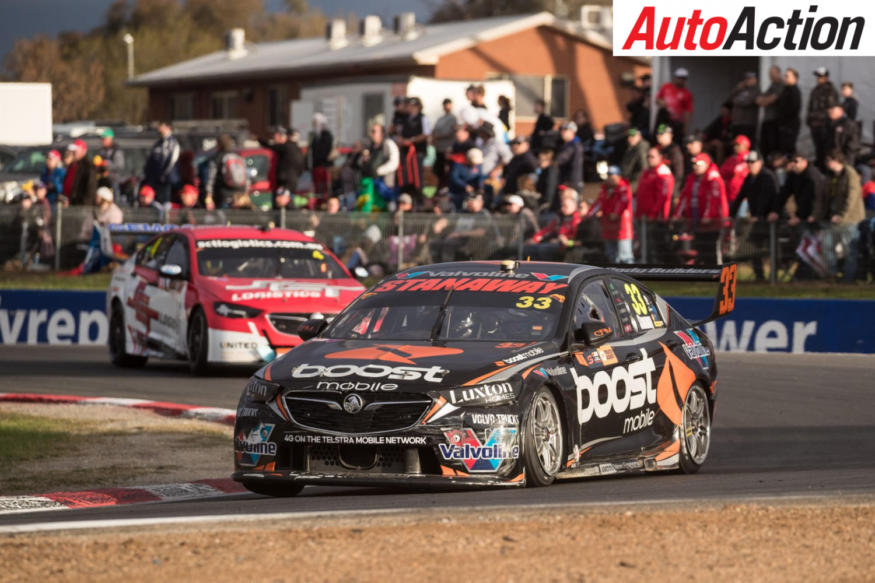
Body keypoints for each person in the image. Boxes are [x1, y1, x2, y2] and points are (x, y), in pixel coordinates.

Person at [730, 151, 781, 280]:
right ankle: (760, 276)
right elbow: (741, 196)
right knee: (753, 248)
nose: (750, 165)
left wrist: (763, 214)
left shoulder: (768, 177)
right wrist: (731, 214)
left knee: (771, 248)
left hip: (768, 220)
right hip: (757, 220)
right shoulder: (750, 178)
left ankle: (773, 276)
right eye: (748, 162)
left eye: (753, 162)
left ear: (760, 162)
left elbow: (771, 197)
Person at [818, 150, 865, 281]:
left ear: (836, 160)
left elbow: (852, 197)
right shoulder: (831, 176)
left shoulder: (850, 174)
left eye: (828, 160)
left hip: (849, 220)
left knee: (849, 250)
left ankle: (848, 279)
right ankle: (832, 274)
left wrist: (842, 216)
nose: (826, 164)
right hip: (832, 219)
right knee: (826, 246)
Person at [429, 192, 497, 262]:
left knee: (449, 244)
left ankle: (447, 268)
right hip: (454, 238)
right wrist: (440, 224)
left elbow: (480, 232)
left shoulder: (483, 214)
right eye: (469, 200)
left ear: (481, 203)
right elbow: (448, 219)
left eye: (473, 200)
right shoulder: (462, 212)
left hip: (471, 241)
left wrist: (459, 234)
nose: (470, 202)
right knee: (434, 244)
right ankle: (436, 266)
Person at [674, 153, 729, 229]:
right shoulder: (691, 178)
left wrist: (708, 216)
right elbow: (684, 197)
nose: (695, 167)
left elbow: (714, 200)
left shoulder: (713, 179)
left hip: (712, 222)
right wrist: (677, 214)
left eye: (699, 164)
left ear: (706, 164)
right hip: (693, 217)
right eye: (694, 164)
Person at [525, 189, 582, 261]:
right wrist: (535, 239)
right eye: (562, 206)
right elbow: (547, 230)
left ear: (574, 206)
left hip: (568, 247)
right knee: (530, 248)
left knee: (542, 249)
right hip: (555, 243)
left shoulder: (577, 220)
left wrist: (567, 242)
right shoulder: (559, 217)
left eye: (565, 206)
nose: (562, 208)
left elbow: (578, 242)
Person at [593, 167, 634, 263]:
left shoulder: (624, 188)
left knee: (625, 256)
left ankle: (632, 276)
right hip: (608, 227)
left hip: (622, 228)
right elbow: (599, 203)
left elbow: (623, 202)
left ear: (619, 176)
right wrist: (589, 214)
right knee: (611, 256)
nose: (610, 178)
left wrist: (616, 213)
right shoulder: (605, 190)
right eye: (609, 176)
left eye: (613, 176)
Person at [258, 126, 305, 206]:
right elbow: (301, 167)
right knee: (286, 201)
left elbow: (270, 146)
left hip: (284, 181)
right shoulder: (298, 149)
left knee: (281, 202)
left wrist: (259, 139)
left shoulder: (286, 147)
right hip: (292, 181)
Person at [359, 123, 400, 211]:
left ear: (382, 133)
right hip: (370, 184)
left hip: (385, 185)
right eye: (371, 131)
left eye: (374, 132)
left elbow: (394, 162)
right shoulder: (369, 146)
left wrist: (379, 171)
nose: (371, 134)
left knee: (387, 207)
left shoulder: (388, 144)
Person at [398, 97, 430, 198]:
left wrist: (411, 140)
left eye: (414, 106)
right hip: (406, 151)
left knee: (417, 175)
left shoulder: (422, 118)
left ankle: (418, 195)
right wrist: (402, 140)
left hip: (417, 151)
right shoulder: (405, 119)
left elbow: (425, 134)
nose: (411, 108)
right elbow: (400, 133)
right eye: (410, 106)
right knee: (405, 174)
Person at [205, 134, 248, 210]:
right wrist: (246, 192)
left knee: (224, 220)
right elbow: (246, 176)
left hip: (223, 195)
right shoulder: (238, 156)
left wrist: (209, 196)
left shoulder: (217, 158)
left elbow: (211, 178)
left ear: (218, 144)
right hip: (240, 195)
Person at [807, 67, 839, 168]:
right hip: (815, 125)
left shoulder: (831, 91)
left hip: (825, 125)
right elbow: (810, 106)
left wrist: (815, 116)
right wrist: (809, 119)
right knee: (818, 149)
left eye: (820, 77)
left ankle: (825, 169)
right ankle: (820, 168)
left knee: (826, 150)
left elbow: (831, 110)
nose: (818, 79)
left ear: (826, 78)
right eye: (818, 77)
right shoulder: (815, 90)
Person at [143, 121, 180, 205]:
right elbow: (151, 159)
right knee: (157, 201)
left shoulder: (172, 142)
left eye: (162, 126)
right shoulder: (158, 143)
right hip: (156, 178)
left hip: (167, 179)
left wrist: (164, 174)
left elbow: (171, 161)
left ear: (168, 128)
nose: (159, 129)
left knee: (165, 202)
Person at [636, 147, 674, 220]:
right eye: (648, 157)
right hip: (643, 215)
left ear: (660, 157)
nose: (649, 159)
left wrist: (653, 213)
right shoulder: (647, 172)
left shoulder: (663, 172)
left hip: (655, 217)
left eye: (652, 157)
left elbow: (663, 197)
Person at [655, 68, 693, 142]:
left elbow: (688, 112)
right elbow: (657, 99)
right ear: (675, 77)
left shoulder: (687, 94)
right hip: (664, 120)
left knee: (674, 141)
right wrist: (661, 102)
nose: (681, 80)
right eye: (679, 78)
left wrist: (685, 128)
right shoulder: (666, 87)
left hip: (676, 123)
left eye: (683, 78)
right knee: (660, 139)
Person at [756, 66, 784, 158]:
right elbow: (758, 100)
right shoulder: (771, 86)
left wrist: (765, 100)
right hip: (767, 119)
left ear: (779, 73)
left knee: (773, 146)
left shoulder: (781, 85)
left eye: (773, 73)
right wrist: (765, 100)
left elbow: (771, 99)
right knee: (764, 145)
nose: (771, 75)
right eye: (770, 73)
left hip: (775, 120)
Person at [431, 98, 458, 189]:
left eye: (448, 104)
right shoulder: (440, 119)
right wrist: (433, 138)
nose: (447, 106)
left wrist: (438, 137)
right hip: (439, 148)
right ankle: (441, 186)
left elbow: (450, 132)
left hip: (447, 148)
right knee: (439, 169)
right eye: (445, 105)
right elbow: (434, 130)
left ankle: (447, 186)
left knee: (447, 170)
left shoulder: (453, 118)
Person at [776, 68, 802, 155]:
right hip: (784, 124)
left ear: (795, 78)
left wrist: (785, 122)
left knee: (788, 148)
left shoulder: (794, 90)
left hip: (790, 125)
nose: (785, 78)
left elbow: (793, 108)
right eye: (785, 76)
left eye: (787, 76)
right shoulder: (785, 90)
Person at [826, 104, 861, 168]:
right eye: (830, 110)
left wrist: (842, 157)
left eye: (833, 110)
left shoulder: (848, 124)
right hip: (832, 157)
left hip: (844, 157)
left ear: (840, 111)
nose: (830, 111)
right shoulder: (828, 123)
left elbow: (854, 142)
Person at [730, 72, 760, 146]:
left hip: (748, 123)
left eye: (750, 79)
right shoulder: (741, 90)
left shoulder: (756, 90)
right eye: (746, 79)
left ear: (755, 80)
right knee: (735, 144)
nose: (747, 81)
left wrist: (736, 100)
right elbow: (731, 99)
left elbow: (747, 102)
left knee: (747, 144)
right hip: (737, 122)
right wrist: (737, 89)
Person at [309, 112, 334, 199]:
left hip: (323, 167)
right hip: (316, 167)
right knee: (317, 190)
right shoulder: (316, 136)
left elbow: (323, 152)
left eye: (315, 123)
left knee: (323, 189)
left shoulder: (326, 136)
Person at [720, 135, 751, 205]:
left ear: (745, 145)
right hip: (729, 195)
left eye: (738, 145)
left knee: (741, 215)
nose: (735, 147)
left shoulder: (749, 159)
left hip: (743, 198)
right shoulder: (731, 158)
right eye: (735, 145)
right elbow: (722, 172)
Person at [556, 121, 584, 195]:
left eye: (565, 130)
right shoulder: (567, 145)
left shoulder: (574, 146)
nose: (562, 132)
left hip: (571, 183)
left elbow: (560, 160)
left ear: (572, 131)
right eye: (561, 130)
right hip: (569, 182)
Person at [67, 139, 96, 206]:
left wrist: (83, 206)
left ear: (83, 151)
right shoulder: (73, 165)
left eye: (76, 151)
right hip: (72, 205)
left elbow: (90, 190)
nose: (73, 153)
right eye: (73, 151)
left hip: (81, 207)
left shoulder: (88, 166)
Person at [98, 128, 125, 196]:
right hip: (103, 181)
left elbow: (120, 166)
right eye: (102, 139)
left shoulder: (116, 151)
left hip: (113, 181)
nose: (102, 141)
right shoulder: (102, 151)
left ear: (110, 139)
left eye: (104, 139)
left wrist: (107, 164)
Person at [626, 73, 652, 138]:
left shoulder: (653, 91)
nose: (643, 83)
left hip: (645, 127)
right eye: (642, 81)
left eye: (644, 81)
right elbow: (630, 107)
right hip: (636, 125)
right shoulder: (641, 95)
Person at [536, 148, 559, 213]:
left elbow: (550, 189)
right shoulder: (543, 170)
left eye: (543, 160)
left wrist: (546, 205)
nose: (539, 161)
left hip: (549, 207)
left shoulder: (551, 172)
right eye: (539, 159)